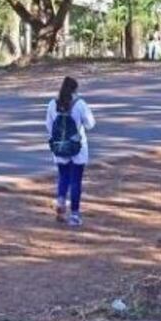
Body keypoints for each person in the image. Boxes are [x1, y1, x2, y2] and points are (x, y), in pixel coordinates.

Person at [45, 76, 96, 227]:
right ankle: (74, 215)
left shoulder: (52, 104)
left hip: (60, 146)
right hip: (78, 147)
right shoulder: (80, 104)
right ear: (75, 89)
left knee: (63, 176)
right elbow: (90, 124)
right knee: (76, 181)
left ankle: (61, 203)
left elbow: (49, 125)